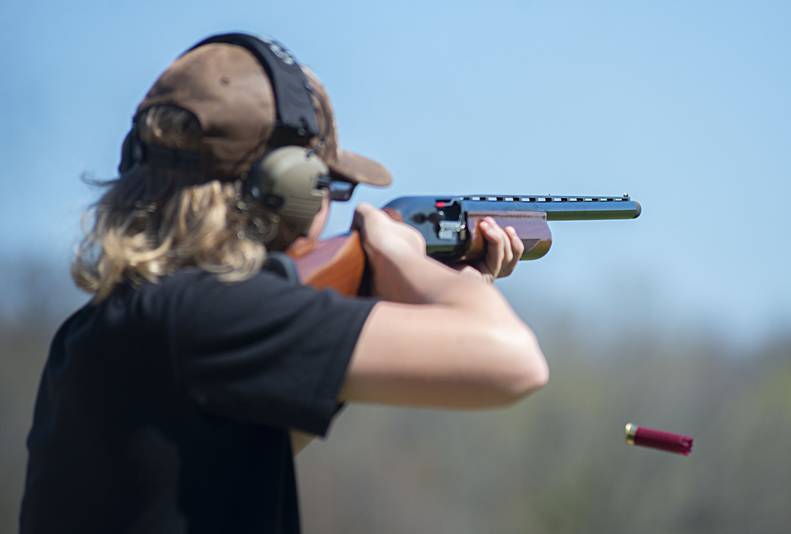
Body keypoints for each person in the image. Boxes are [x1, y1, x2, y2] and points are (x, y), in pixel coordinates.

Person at [20, 34, 548, 534]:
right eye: (331, 187)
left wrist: (414, 294)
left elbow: (247, 455)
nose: (331, 208)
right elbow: (516, 364)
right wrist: (407, 261)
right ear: (287, 187)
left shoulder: (98, 331)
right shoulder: (209, 316)